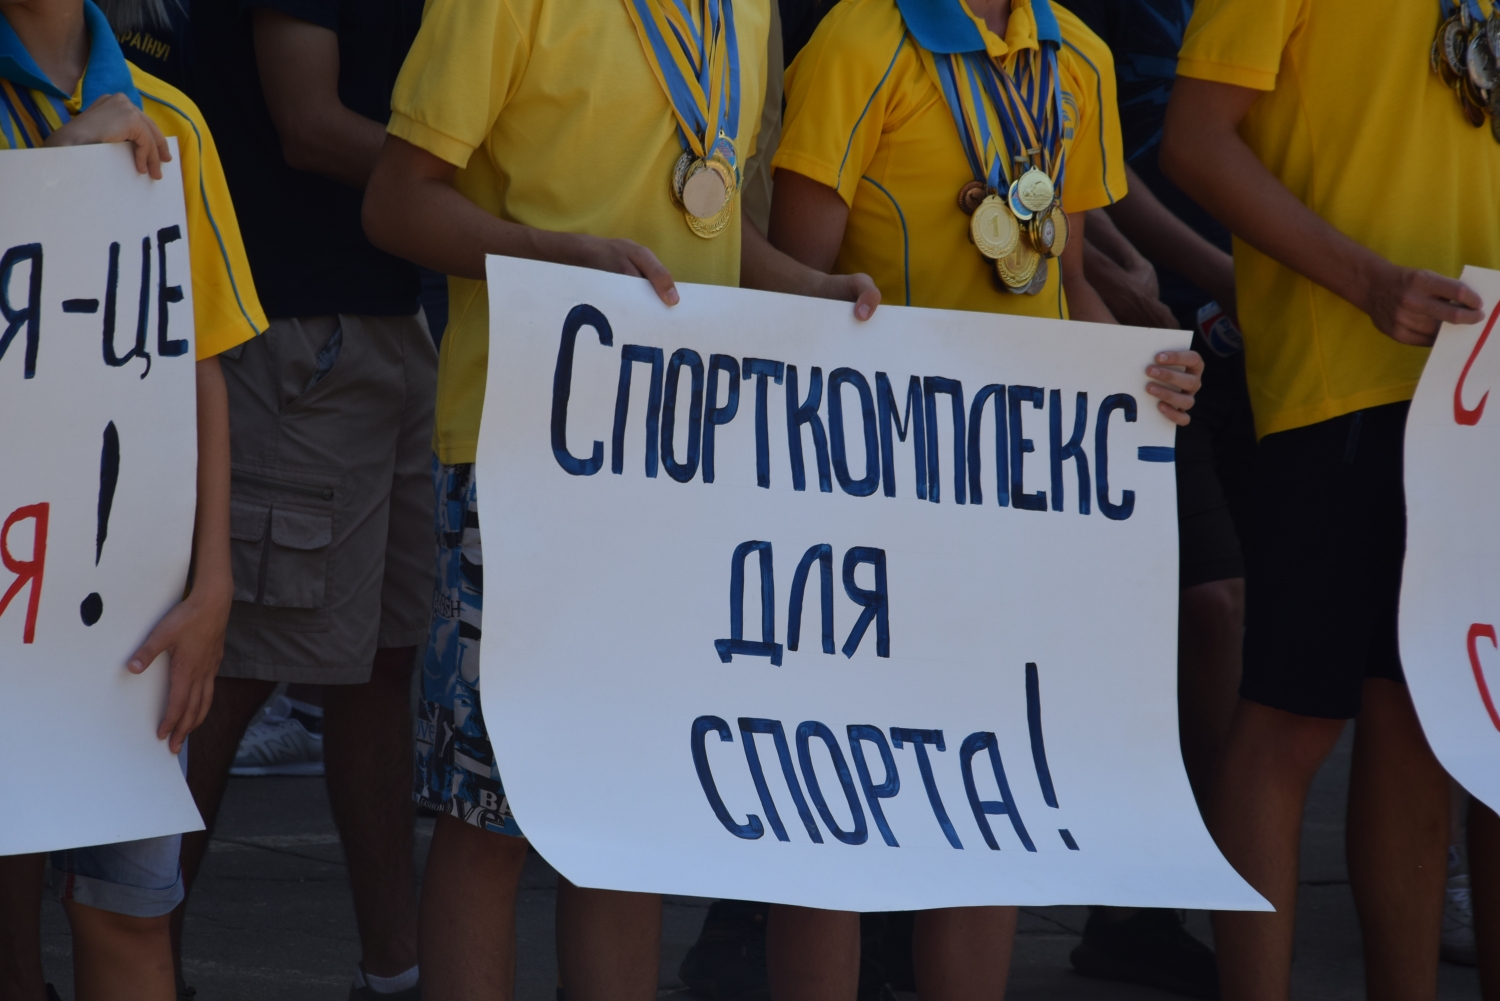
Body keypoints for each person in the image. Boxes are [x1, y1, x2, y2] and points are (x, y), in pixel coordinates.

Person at [360, 0, 880, 994]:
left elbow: (703, 223)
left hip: (680, 464)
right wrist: (554, 256)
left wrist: (803, 287)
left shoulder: (745, 10)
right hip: (522, 454)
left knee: (627, 808)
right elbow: (396, 203)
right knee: (491, 814)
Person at [765, 0, 1204, 996]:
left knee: (991, 791)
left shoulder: (1077, 55)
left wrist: (1138, 381)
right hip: (863, 486)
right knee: (835, 805)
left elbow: (1065, 277)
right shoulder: (859, 41)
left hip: (1016, 497)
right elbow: (788, 289)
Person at [1161, 0, 1500, 996]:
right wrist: (1367, 282)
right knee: (1291, 717)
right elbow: (1193, 140)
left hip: (1476, 383)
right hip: (1342, 381)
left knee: (1431, 719)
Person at [0, 0, 265, 997]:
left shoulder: (175, 120)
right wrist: (62, 172)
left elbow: (198, 366)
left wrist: (213, 584)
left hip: (128, 608)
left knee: (129, 908)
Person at [170, 1, 435, 998]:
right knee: (232, 668)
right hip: (295, 332)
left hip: (385, 319)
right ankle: (137, 961)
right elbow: (308, 122)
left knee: (381, 660)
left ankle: (395, 971)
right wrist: (485, 193)